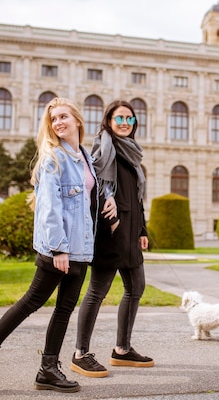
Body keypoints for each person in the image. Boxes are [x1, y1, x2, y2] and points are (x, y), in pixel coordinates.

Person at [0, 97, 116, 394]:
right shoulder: (53, 159)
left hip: (81, 249)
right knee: (31, 302)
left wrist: (108, 196)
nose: (58, 123)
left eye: (63, 117)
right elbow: (49, 208)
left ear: (77, 120)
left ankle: (48, 369)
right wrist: (58, 249)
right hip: (60, 249)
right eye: (53, 119)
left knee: (64, 309)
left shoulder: (84, 157)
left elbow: (91, 189)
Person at [70, 100, 153, 379]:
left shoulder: (132, 152)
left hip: (131, 231)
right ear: (109, 120)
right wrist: (109, 200)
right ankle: (80, 353)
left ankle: (122, 349)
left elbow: (137, 197)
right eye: (120, 118)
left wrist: (143, 230)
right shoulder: (104, 148)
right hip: (111, 230)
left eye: (130, 119)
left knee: (136, 287)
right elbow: (93, 184)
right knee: (97, 292)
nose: (125, 123)